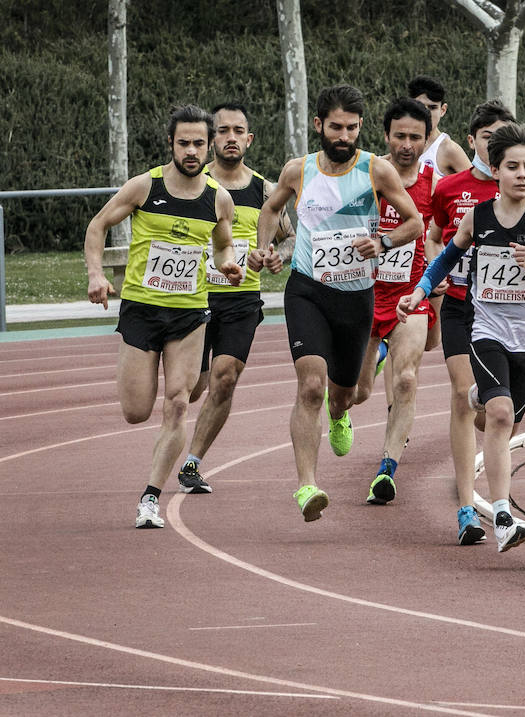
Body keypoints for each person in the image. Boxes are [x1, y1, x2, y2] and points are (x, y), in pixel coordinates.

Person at [249, 84, 423, 522]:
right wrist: (266, 247)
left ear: (360, 127)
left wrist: (382, 241)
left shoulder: (376, 170)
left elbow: (415, 222)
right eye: (335, 127)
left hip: (356, 295)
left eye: (351, 128)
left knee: (345, 392)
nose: (343, 136)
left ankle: (339, 412)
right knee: (310, 384)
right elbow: (270, 211)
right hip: (307, 288)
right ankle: (307, 485)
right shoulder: (298, 170)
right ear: (318, 125)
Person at [399, 122, 525, 553]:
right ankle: (502, 514)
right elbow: (445, 260)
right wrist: (419, 291)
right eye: (513, 166)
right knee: (500, 415)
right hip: (485, 327)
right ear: (496, 170)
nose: (522, 174)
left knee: (508, 417)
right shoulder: (480, 216)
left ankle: (477, 397)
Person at [83, 104, 241, 528]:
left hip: (190, 314)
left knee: (177, 404)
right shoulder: (144, 187)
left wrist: (226, 263)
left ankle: (150, 498)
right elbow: (97, 225)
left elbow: (223, 244)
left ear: (209, 148)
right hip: (141, 309)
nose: (191, 150)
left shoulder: (217, 198)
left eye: (198, 143)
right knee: (136, 411)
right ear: (171, 144)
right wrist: (96, 274)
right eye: (183, 142)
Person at [426, 100, 525, 544]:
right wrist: (432, 277)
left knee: (497, 413)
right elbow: (437, 237)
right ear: (474, 142)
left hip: (511, 314)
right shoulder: (451, 188)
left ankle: (486, 406)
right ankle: (466, 509)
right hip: (460, 305)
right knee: (463, 394)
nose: (499, 149)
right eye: (490, 139)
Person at [177, 102, 290, 494]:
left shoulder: (265, 190)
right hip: (195, 298)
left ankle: (191, 463)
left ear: (249, 139)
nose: (230, 138)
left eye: (237, 131)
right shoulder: (194, 184)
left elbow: (288, 237)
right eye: (222, 131)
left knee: (224, 379)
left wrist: (277, 255)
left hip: (242, 300)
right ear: (211, 140)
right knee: (191, 388)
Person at [350, 97, 437, 505]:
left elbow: (442, 234)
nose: (407, 144)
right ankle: (339, 412)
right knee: (357, 392)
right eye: (399, 136)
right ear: (385, 136)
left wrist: (438, 276)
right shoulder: (366, 174)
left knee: (406, 379)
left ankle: (387, 469)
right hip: (362, 294)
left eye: (415, 137)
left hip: (410, 295)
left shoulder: (435, 183)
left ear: (426, 139)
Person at [408, 75, 473, 177]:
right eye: (420, 106)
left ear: (443, 110)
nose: (426, 113)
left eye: (432, 107)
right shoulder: (403, 144)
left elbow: (477, 187)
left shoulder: (449, 149)